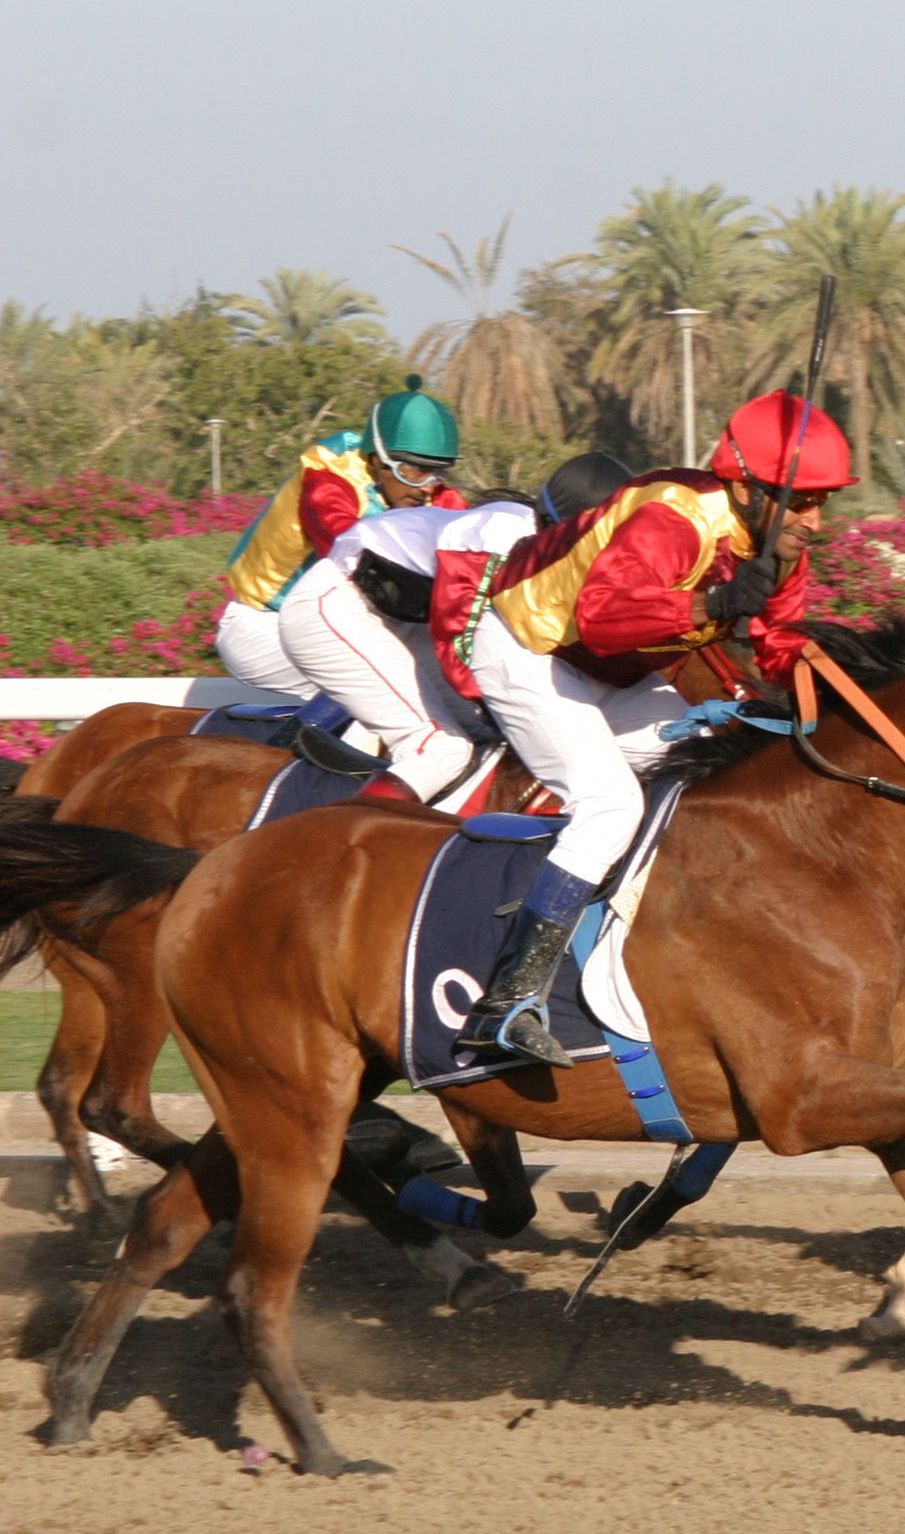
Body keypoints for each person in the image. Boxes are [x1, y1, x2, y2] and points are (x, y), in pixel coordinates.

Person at [451, 393, 845, 1068]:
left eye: (824, 502)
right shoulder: (674, 517)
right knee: (611, 805)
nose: (816, 521)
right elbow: (603, 617)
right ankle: (506, 1001)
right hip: (527, 645)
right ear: (745, 488)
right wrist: (716, 602)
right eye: (802, 501)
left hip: (612, 670)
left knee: (714, 774)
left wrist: (838, 685)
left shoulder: (781, 547)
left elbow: (778, 642)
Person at [276, 453, 636, 804]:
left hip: (398, 618)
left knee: (491, 732)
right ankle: (340, 834)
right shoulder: (500, 538)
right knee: (440, 750)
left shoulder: (538, 538)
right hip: (334, 605)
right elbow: (461, 636)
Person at [214, 378, 466, 708]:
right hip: (266, 628)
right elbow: (355, 556)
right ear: (377, 460)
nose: (427, 487)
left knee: (463, 681)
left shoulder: (436, 495)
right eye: (414, 471)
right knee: (394, 693)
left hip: (349, 622)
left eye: (437, 472)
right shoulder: (329, 479)